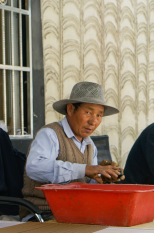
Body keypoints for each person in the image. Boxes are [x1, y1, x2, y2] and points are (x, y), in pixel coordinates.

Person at [22, 81, 122, 213]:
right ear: (70, 109)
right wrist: (85, 169)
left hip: (76, 212)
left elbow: (88, 185)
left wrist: (104, 179)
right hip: (44, 213)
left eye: (99, 115)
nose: (93, 121)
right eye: (88, 112)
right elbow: (34, 168)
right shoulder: (50, 134)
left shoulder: (90, 145)